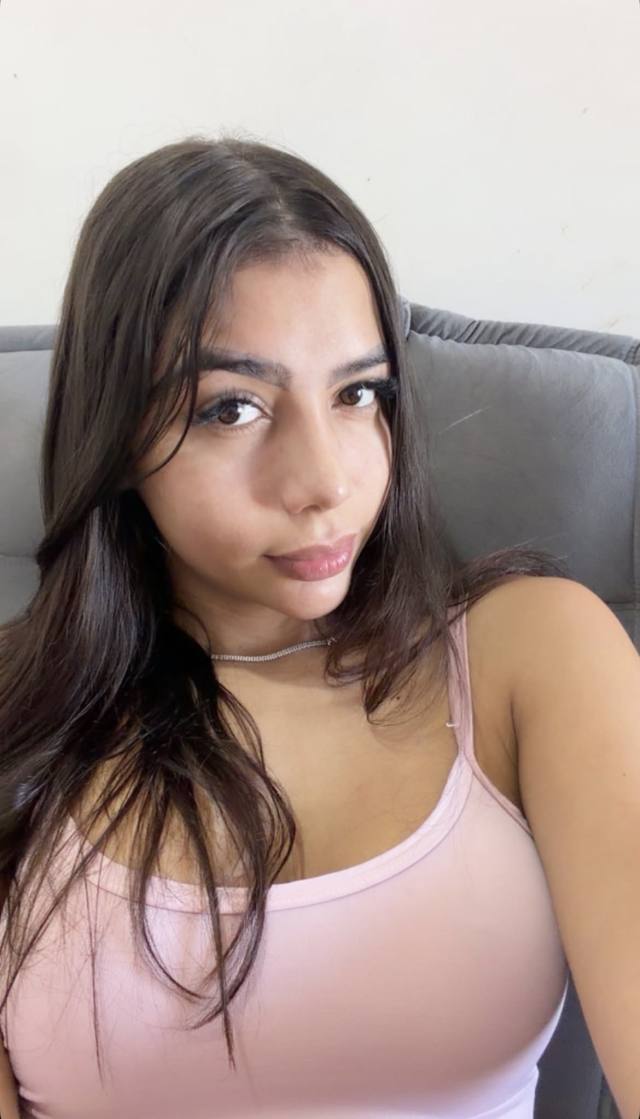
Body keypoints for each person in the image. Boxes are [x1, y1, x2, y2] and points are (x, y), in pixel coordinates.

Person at [0, 135, 570, 1117]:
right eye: (232, 409)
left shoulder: (529, 651)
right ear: (116, 433)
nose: (324, 482)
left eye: (358, 394)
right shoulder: (20, 720)